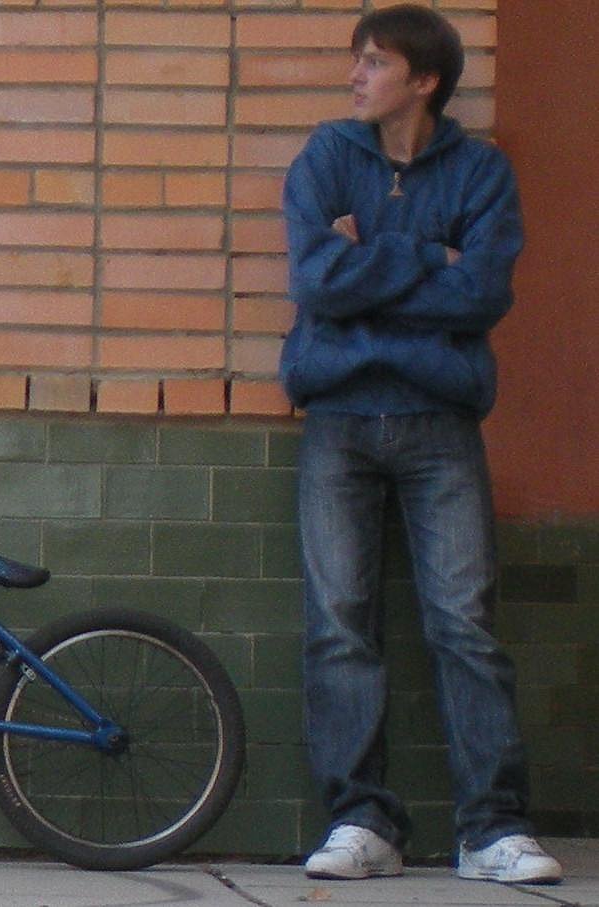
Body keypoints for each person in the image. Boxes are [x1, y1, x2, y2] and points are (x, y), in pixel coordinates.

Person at [280, 3, 562, 885]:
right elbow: (317, 280)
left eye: (374, 62)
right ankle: (361, 822)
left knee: (465, 626)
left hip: (441, 423)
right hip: (338, 418)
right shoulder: (329, 156)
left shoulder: (480, 173)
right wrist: (431, 257)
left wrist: (372, 256)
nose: (355, 76)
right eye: (357, 60)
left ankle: (493, 830)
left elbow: (482, 294)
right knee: (339, 628)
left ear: (425, 80)